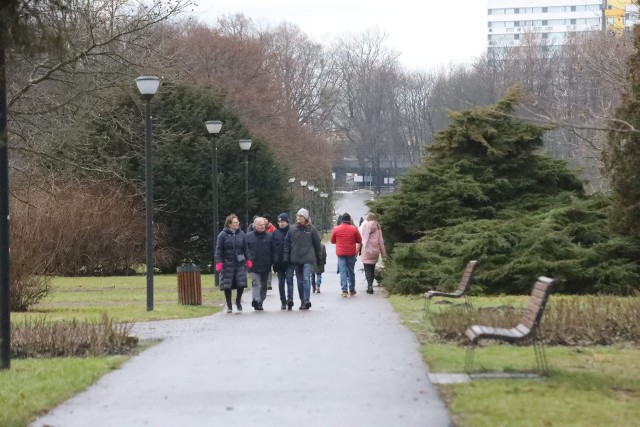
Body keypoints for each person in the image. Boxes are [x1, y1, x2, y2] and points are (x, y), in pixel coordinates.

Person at [284, 208, 322, 310]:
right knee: (300, 281)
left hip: (308, 258)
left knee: (306, 279)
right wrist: (286, 257)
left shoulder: (312, 229)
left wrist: (319, 259)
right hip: (296, 258)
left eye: (301, 216)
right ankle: (302, 301)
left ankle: (306, 299)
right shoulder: (292, 229)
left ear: (305, 218)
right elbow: (287, 244)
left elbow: (317, 246)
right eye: (298, 216)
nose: (299, 218)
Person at [215, 213, 251, 313]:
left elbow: (246, 248)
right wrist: (219, 262)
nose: (237, 223)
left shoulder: (241, 234)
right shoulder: (222, 235)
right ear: (229, 224)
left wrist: (248, 260)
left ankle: (238, 301)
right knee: (228, 286)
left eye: (237, 222)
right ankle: (229, 305)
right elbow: (218, 250)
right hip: (227, 263)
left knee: (241, 284)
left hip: (239, 262)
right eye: (235, 222)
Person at [246, 217, 274, 310]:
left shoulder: (269, 236)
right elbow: (245, 250)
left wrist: (273, 262)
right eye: (260, 225)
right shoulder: (248, 236)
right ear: (255, 226)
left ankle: (260, 301)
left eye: (263, 225)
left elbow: (273, 251)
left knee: (264, 285)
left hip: (266, 265)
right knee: (255, 283)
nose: (262, 226)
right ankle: (256, 300)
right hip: (253, 265)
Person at [330, 212, 362, 298]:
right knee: (351, 270)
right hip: (351, 253)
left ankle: (344, 290)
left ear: (342, 220)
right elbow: (359, 240)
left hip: (341, 253)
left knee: (343, 271)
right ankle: (352, 289)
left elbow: (332, 241)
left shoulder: (336, 229)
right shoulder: (354, 229)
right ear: (349, 220)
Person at [358, 212, 387, 294]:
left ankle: (369, 285)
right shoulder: (378, 228)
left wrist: (355, 252)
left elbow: (360, 241)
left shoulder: (364, 227)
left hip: (366, 251)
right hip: (375, 252)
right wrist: (384, 254)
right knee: (372, 269)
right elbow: (381, 243)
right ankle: (370, 285)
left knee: (367, 269)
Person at [272, 213, 294, 310]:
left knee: (289, 280)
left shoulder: (291, 231)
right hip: (279, 262)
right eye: (279, 222)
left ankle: (290, 299)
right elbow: (273, 248)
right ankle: (283, 301)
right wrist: (274, 261)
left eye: (283, 222)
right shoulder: (275, 233)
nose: (281, 224)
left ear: (287, 222)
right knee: (281, 282)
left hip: (289, 261)